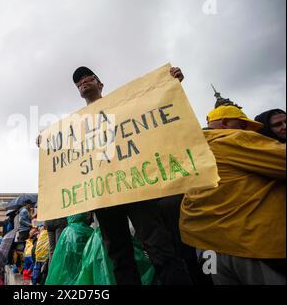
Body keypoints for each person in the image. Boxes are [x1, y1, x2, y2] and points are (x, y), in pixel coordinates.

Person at [57, 66, 192, 285]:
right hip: (104, 193)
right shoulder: (77, 126)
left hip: (134, 184)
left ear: (100, 85)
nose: (82, 81)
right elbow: (66, 152)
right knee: (119, 254)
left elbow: (150, 110)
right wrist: (47, 144)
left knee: (158, 244)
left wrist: (169, 85)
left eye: (87, 77)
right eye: (78, 81)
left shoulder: (123, 107)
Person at [180, 105, 286, 285]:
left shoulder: (192, 154)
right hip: (249, 247)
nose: (249, 133)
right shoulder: (231, 139)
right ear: (225, 122)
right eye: (244, 126)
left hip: (209, 249)